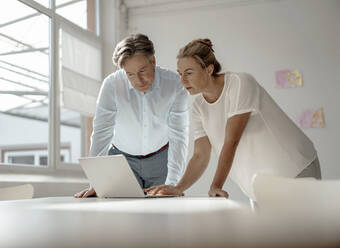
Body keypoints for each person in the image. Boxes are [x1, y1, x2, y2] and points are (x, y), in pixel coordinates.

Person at [145, 38, 321, 201]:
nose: (182, 80)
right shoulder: (198, 106)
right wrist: (178, 188)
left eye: (189, 73)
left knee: (304, 235)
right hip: (258, 188)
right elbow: (200, 155)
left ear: (209, 69)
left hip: (294, 170)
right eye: (180, 73)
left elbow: (231, 140)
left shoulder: (239, 83)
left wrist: (216, 185)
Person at [74, 34, 189, 198]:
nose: (138, 80)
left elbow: (179, 135)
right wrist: (96, 183)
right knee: (120, 215)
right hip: (122, 161)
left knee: (162, 214)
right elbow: (101, 132)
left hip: (161, 159)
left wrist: (172, 183)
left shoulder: (175, 84)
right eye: (130, 74)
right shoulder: (112, 85)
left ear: (153, 62)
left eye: (142, 71)